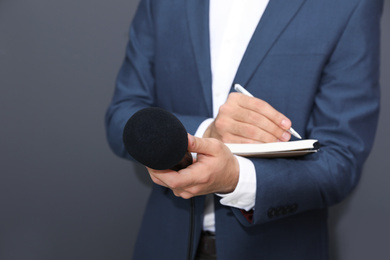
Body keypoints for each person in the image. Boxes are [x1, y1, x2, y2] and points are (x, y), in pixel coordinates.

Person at [105, 0, 383, 259]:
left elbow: (340, 161)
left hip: (278, 248)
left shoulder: (350, 5)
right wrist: (204, 134)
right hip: (163, 243)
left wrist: (237, 178)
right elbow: (122, 115)